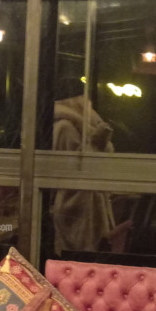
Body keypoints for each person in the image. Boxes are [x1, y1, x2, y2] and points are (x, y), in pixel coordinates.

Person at [50, 77, 117, 254]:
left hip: (89, 205)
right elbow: (75, 170)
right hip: (75, 208)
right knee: (78, 259)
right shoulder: (65, 127)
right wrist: (97, 142)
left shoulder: (83, 126)